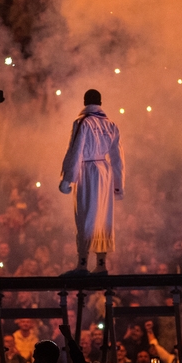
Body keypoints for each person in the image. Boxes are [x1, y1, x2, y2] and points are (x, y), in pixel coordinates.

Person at [59, 89, 125, 275]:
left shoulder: (83, 122)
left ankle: (82, 265)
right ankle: (101, 264)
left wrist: (67, 179)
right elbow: (118, 158)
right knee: (103, 217)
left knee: (85, 216)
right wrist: (118, 186)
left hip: (87, 171)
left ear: (84, 102)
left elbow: (75, 151)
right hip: (106, 172)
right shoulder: (111, 125)